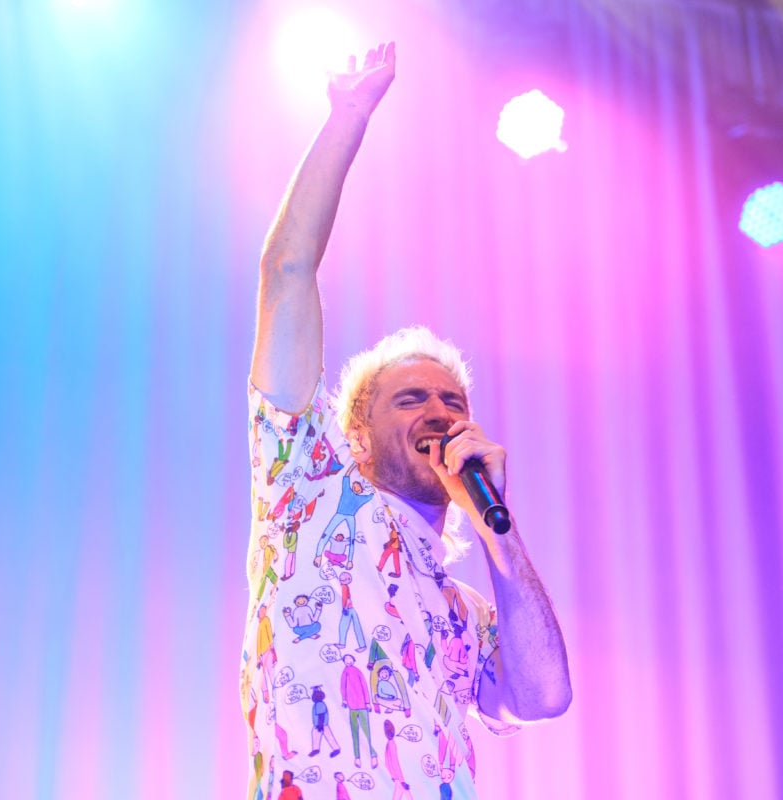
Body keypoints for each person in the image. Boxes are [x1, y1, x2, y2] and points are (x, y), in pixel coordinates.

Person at [242, 41, 571, 799]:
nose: (440, 412)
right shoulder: (308, 490)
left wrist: (499, 528)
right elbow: (286, 272)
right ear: (356, 431)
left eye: (453, 401)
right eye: (412, 398)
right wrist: (348, 118)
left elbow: (544, 697)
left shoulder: (466, 604)